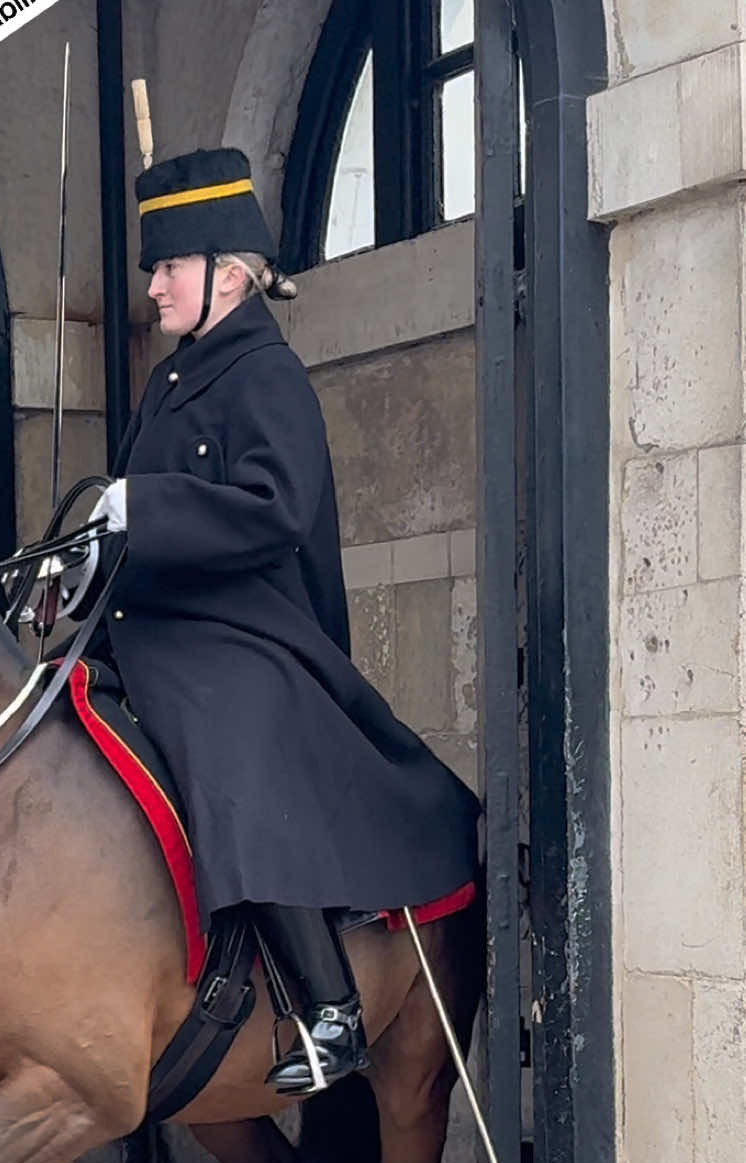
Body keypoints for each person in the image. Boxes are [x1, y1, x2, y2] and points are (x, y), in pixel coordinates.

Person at [79, 147, 481, 1096]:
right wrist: (89, 553)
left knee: (223, 740)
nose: (152, 286)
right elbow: (139, 519)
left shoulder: (268, 376)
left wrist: (149, 508)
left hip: (251, 637)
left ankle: (330, 1008)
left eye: (168, 268)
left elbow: (278, 510)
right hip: (155, 623)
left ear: (225, 273)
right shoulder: (177, 378)